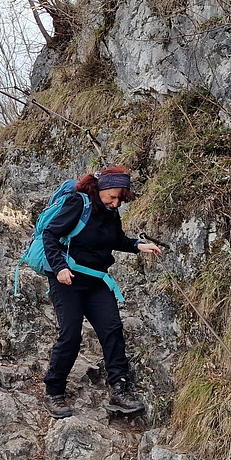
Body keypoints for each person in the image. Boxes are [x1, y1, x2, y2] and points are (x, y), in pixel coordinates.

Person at [41, 166, 163, 418]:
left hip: (97, 281)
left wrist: (139, 245)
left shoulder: (110, 212)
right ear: (101, 188)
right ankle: (54, 391)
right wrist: (60, 267)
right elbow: (50, 234)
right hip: (67, 281)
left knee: (112, 329)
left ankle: (119, 389)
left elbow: (115, 240)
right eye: (113, 196)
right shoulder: (79, 204)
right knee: (71, 335)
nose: (116, 203)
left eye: (120, 198)